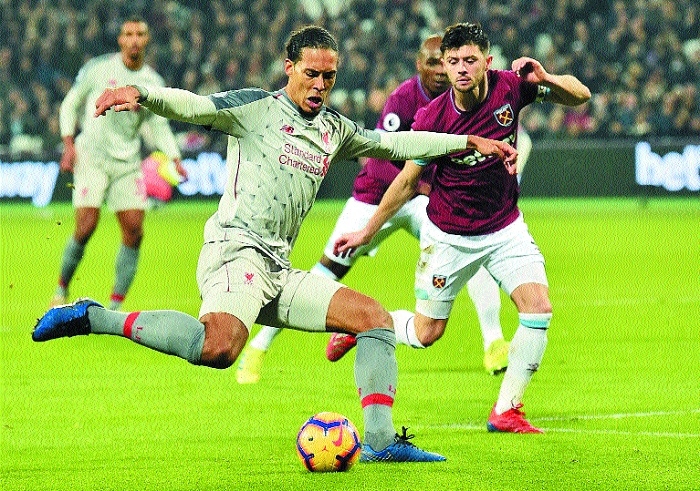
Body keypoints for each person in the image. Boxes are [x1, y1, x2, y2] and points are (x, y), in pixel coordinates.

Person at [33, 26, 517, 462]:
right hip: (235, 251)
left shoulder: (333, 129)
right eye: (312, 74)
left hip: (277, 268)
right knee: (219, 349)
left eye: (329, 77)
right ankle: (95, 316)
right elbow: (193, 105)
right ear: (289, 68)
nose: (321, 85)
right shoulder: (256, 109)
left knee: (374, 320)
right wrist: (141, 93)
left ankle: (382, 440)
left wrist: (466, 143)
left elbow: (395, 144)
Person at [334, 23, 591, 433]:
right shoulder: (431, 117)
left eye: (470, 60)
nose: (460, 69)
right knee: (426, 333)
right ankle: (366, 327)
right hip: (448, 236)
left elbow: (581, 96)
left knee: (538, 309)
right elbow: (406, 182)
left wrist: (548, 78)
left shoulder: (510, 88)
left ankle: (507, 409)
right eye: (452, 61)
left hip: (504, 229)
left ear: (487, 62)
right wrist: (367, 232)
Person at [236, 34, 510, 384]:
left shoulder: (461, 101)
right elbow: (380, 157)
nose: (441, 71)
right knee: (328, 269)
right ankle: (259, 346)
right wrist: (422, 185)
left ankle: (494, 343)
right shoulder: (404, 99)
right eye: (432, 63)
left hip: (422, 202)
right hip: (375, 196)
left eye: (443, 63)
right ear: (419, 65)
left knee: (469, 250)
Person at [50, 17, 187, 311]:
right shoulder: (98, 69)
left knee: (134, 230)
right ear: (120, 40)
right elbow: (70, 104)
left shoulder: (152, 82)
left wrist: (174, 157)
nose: (134, 39)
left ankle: (114, 308)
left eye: (140, 34)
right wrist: (68, 144)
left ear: (147, 40)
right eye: (129, 34)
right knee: (86, 226)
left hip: (127, 162)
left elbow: (158, 124)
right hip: (92, 156)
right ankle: (61, 288)